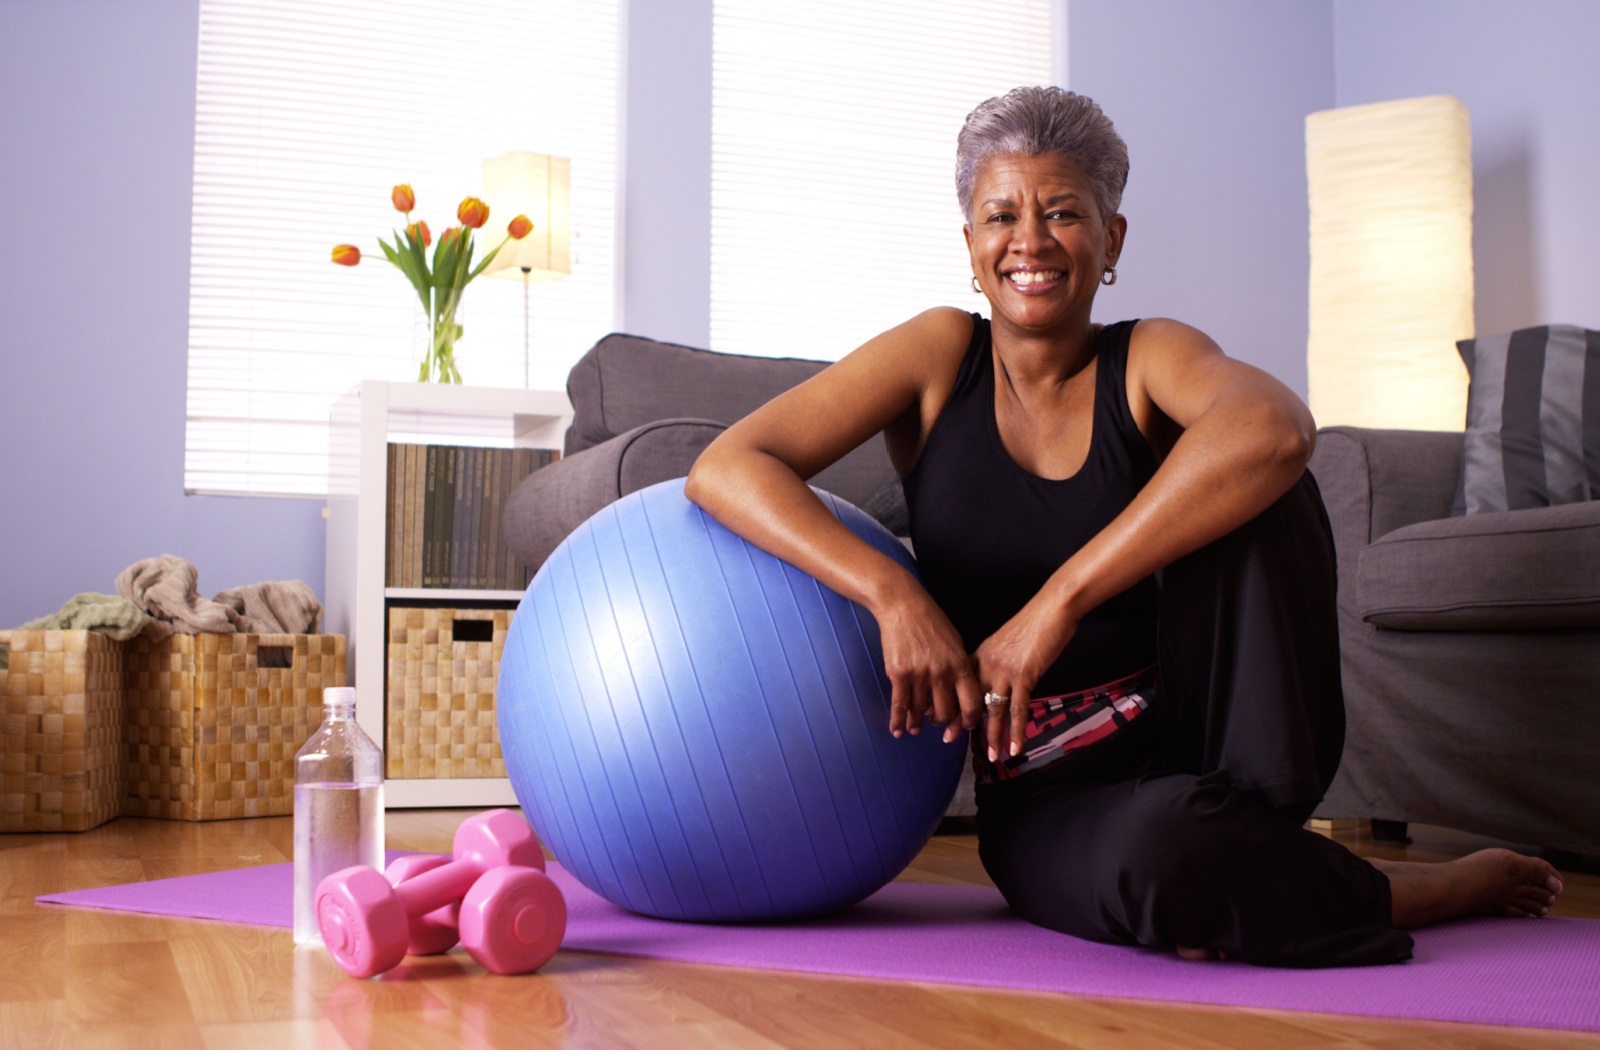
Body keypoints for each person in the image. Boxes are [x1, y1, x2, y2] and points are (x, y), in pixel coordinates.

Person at [684, 86, 1563, 967]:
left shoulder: (1146, 356)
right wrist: (893, 594)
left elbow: (1278, 428)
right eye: (1002, 215)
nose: (1029, 241)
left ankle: (1287, 856)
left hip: (1219, 739)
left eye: (1064, 212)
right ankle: (1397, 887)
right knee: (1163, 864)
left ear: (1110, 240)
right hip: (1049, 790)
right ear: (970, 245)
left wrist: (1056, 603)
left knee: (1258, 470)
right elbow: (729, 466)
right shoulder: (936, 354)